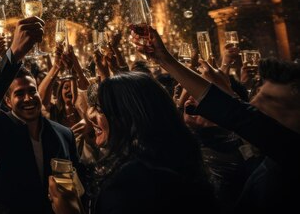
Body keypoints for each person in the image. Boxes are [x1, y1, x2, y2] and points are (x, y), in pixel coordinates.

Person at [132, 26, 300, 214]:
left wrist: (166, 60)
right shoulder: (267, 157)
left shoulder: (291, 153)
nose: (255, 103)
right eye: (258, 95)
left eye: (271, 100)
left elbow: (238, 114)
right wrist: (163, 58)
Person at [0, 16, 81, 214]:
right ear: (7, 101)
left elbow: (78, 186)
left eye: (32, 91)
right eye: (19, 93)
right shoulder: (0, 129)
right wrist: (13, 55)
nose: (28, 98)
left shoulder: (64, 134)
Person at [86, 71, 218, 213]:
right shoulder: (179, 158)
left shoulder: (131, 183)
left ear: (127, 116)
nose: (91, 116)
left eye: (100, 109)